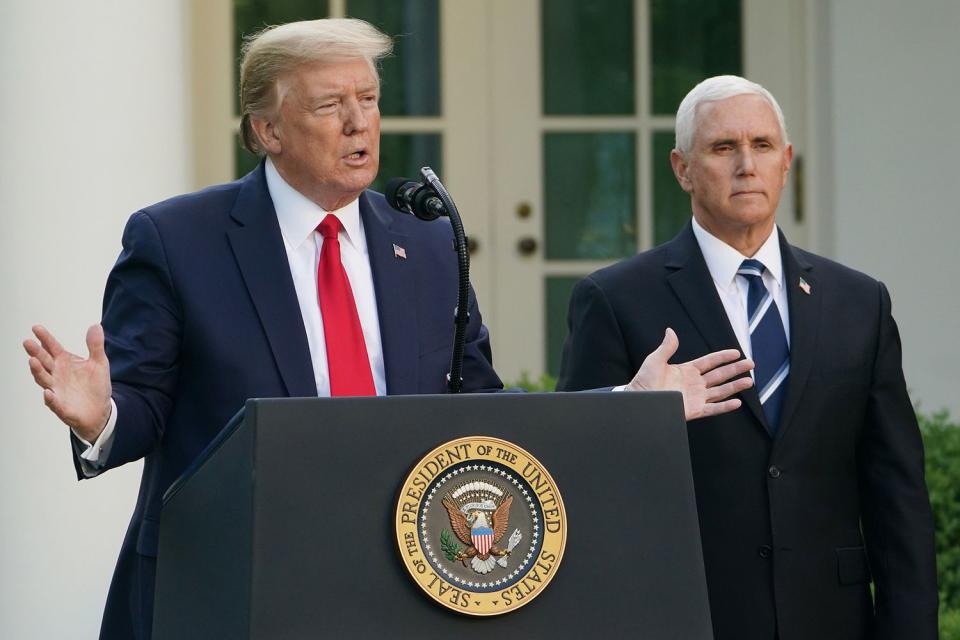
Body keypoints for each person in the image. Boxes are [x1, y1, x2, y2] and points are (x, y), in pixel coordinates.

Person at [22, 21, 755, 640]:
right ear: (266, 129)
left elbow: (479, 407)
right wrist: (102, 418)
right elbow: (143, 403)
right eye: (330, 105)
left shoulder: (427, 246)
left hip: (395, 588)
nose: (358, 123)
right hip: (233, 590)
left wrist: (630, 400)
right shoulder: (178, 239)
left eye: (368, 101)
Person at [557, 75, 938, 639]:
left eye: (761, 146)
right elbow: (575, 482)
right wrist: (636, 413)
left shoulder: (859, 302)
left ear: (786, 162)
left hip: (831, 620)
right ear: (682, 168)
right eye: (722, 147)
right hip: (686, 617)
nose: (746, 165)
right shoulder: (616, 300)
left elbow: (896, 493)